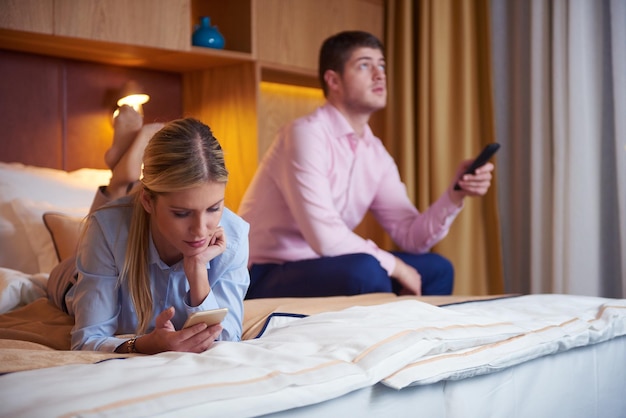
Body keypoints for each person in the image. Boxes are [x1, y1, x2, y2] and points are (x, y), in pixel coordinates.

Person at [238, 30, 493, 299]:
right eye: (364, 65)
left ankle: (418, 339)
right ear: (333, 80)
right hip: (266, 270)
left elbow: (411, 237)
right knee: (366, 270)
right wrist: (397, 267)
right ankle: (386, 337)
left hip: (325, 263)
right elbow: (325, 237)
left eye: (381, 65)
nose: (380, 74)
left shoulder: (375, 153)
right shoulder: (305, 135)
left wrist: (455, 194)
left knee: (438, 269)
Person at [47, 106, 250, 353]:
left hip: (123, 227)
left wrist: (197, 270)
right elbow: (87, 340)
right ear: (147, 201)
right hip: (69, 278)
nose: (200, 231)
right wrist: (145, 344)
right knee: (103, 229)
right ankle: (119, 180)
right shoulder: (106, 230)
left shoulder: (235, 235)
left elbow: (228, 342)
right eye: (181, 213)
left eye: (213, 208)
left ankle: (122, 172)